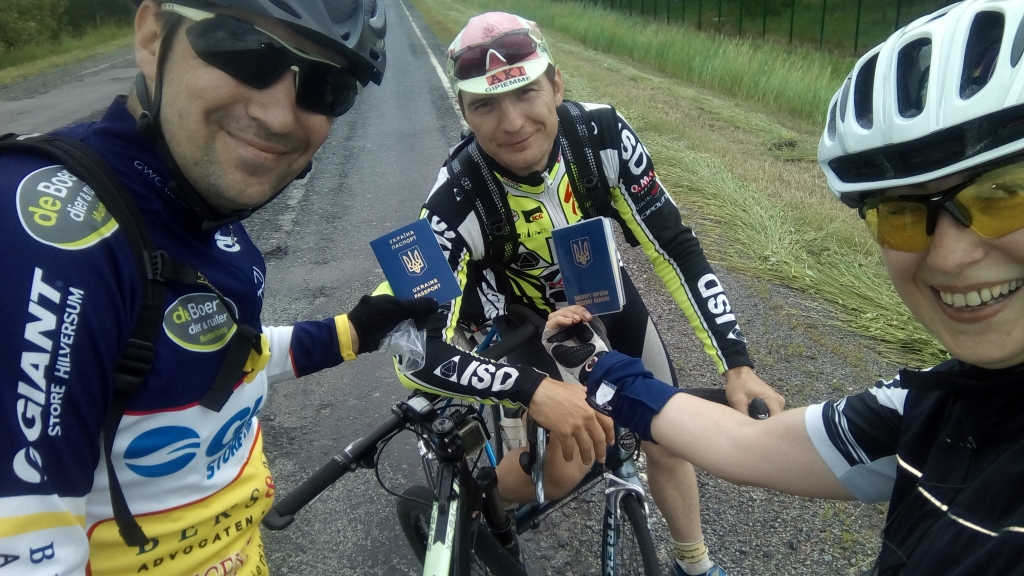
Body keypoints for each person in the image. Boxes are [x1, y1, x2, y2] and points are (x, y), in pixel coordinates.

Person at [541, 0, 1024, 573]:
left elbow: (675, 247)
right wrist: (598, 367)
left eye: (1003, 197)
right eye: (900, 213)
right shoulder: (931, 406)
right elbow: (748, 446)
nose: (949, 255)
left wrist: (735, 364)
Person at [0, 1, 437, 574]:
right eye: (245, 50)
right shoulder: (43, 240)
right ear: (153, 36)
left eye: (325, 86)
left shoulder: (197, 214)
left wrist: (352, 331)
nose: (279, 117)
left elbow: (215, 361)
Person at [397, 12, 784, 576]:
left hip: (604, 294)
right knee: (563, 472)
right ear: (464, 111)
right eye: (485, 105)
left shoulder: (602, 134)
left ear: (556, 84)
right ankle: (480, 498)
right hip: (522, 321)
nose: (512, 123)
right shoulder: (451, 199)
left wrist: (737, 364)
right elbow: (412, 352)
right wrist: (531, 388)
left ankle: (695, 564)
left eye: (526, 92)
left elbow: (676, 246)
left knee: (669, 428)